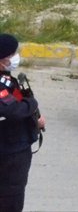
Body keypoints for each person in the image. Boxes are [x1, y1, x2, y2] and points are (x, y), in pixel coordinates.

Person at [0, 34, 44, 212]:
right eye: (12, 55)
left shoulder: (7, 78)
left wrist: (34, 118)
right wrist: (32, 104)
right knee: (11, 198)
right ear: (2, 59)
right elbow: (13, 109)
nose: (15, 58)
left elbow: (16, 100)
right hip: (9, 151)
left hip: (12, 145)